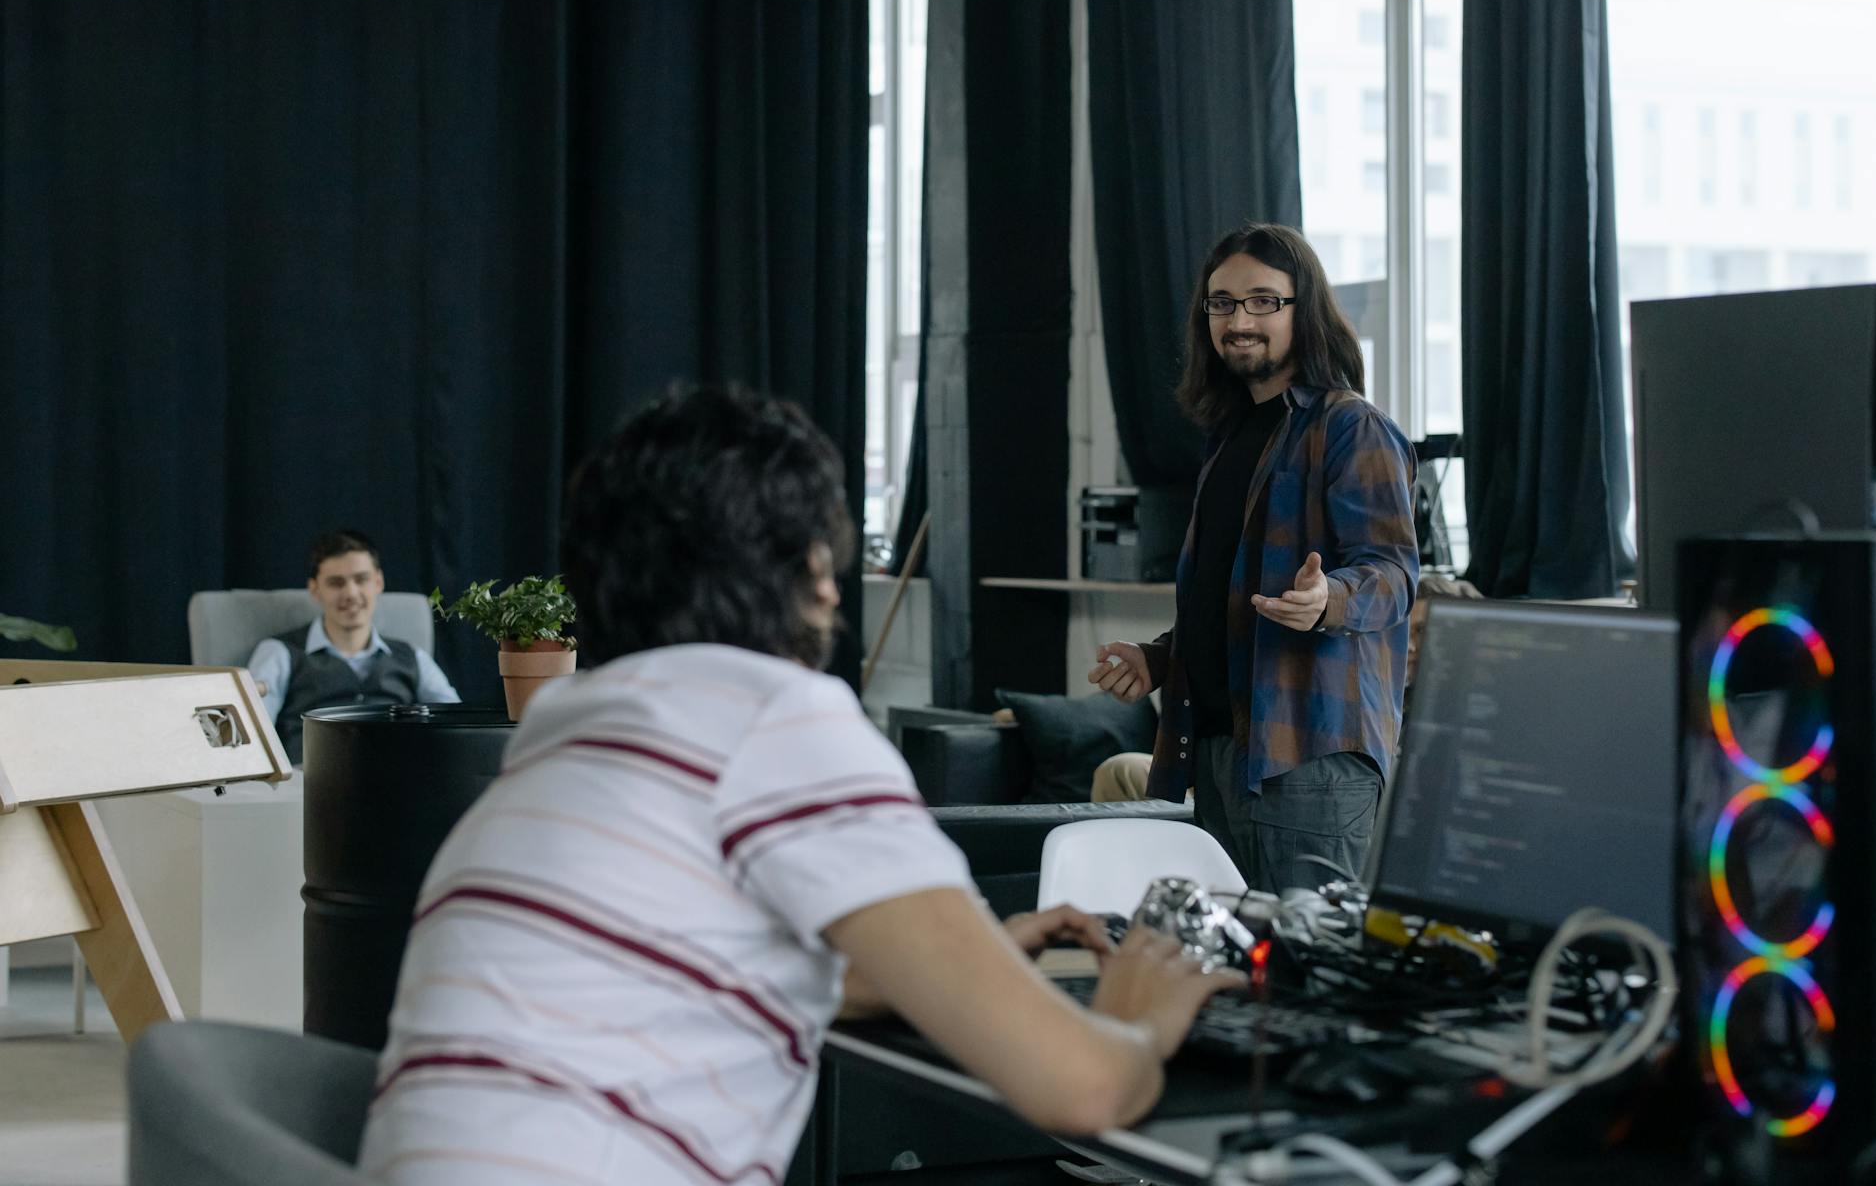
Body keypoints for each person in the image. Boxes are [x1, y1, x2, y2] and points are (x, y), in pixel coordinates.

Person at [357, 386, 1241, 1186]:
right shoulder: (773, 717)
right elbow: (1082, 1090)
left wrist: (955, 970)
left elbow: (702, 973)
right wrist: (1138, 1014)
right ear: (814, 572)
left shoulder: (569, 734)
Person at [1088, 223, 1417, 895]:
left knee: (1311, 984)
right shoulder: (1231, 435)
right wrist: (1158, 658)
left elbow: (1391, 573)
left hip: (1307, 763)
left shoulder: (1350, 426)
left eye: (1263, 300)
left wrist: (1330, 599)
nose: (1239, 320)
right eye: (1222, 302)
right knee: (1240, 982)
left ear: (1304, 310)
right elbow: (1230, 602)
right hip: (1214, 754)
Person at [247, 530, 459, 764]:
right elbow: (251, 732)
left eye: (361, 579)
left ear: (378, 582)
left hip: (400, 784)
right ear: (315, 589)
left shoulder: (413, 656)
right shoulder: (280, 652)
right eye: (336, 583)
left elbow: (455, 725)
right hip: (309, 788)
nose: (350, 593)